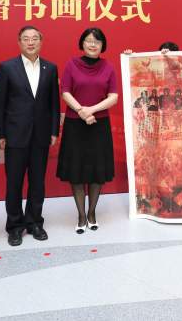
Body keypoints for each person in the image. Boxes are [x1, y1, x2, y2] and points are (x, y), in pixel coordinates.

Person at [0, 26, 59, 246]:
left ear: (41, 42)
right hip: (15, 134)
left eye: (34, 39)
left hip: (41, 135)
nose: (30, 42)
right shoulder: (7, 67)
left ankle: (34, 222)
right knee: (14, 183)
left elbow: (53, 103)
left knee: (37, 182)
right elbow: (0, 103)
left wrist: (54, 130)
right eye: (26, 39)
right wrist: (1, 133)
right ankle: (15, 226)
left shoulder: (50, 68)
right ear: (19, 42)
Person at [57, 27, 118, 233]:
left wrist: (90, 110)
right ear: (82, 43)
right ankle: (81, 215)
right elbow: (65, 91)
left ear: (103, 45)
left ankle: (92, 213)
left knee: (96, 171)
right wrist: (81, 111)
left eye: (97, 41)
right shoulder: (72, 65)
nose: (93, 44)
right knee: (76, 171)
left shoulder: (108, 67)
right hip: (75, 125)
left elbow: (113, 97)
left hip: (99, 125)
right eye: (89, 40)